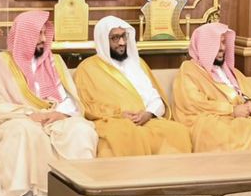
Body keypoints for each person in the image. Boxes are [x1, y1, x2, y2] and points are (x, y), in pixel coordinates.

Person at [0, 9, 98, 196]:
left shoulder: (55, 61)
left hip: (54, 119)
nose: (43, 39)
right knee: (23, 132)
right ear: (24, 35)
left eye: (45, 33)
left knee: (82, 131)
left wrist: (61, 114)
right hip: (15, 120)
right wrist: (28, 113)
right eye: (38, 34)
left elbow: (69, 97)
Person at [74, 16, 191, 157]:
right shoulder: (87, 68)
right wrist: (119, 115)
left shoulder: (137, 63)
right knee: (124, 136)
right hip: (112, 122)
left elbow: (155, 98)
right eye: (115, 38)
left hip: (146, 120)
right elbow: (86, 106)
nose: (122, 42)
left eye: (124, 36)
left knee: (177, 132)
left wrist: (149, 113)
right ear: (103, 40)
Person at [172, 23, 251, 152]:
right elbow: (193, 103)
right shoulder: (189, 69)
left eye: (223, 42)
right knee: (241, 137)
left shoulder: (229, 71)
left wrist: (250, 104)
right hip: (207, 121)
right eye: (217, 43)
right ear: (204, 46)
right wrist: (231, 110)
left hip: (236, 119)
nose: (222, 48)